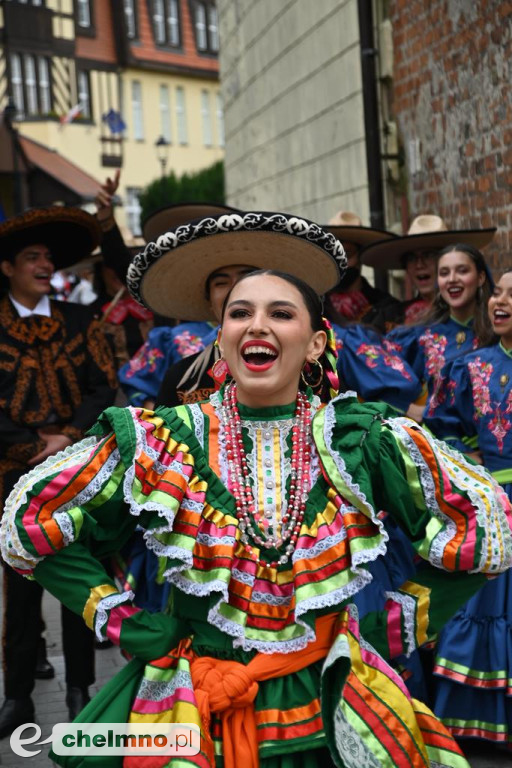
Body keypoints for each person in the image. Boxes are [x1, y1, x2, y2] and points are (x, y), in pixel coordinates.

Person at [2, 212, 511, 768]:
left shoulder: (361, 439)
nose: (257, 325)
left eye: (281, 313)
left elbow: (484, 528)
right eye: (239, 313)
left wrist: (394, 626)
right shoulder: (163, 442)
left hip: (331, 699)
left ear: (316, 343)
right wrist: (123, 619)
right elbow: (31, 523)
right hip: (195, 706)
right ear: (221, 342)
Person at [0, 206, 119, 736]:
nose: (44, 263)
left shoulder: (80, 320)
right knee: (21, 589)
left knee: (80, 583)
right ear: (8, 268)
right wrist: (31, 446)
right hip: (10, 470)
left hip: (75, 469)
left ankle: (80, 691)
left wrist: (67, 438)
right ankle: (19, 698)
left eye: (48, 256)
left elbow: (101, 388)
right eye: (32, 257)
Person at [424, 269, 512, 747]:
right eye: (498, 292)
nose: (501, 301)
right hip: (494, 507)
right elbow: (439, 428)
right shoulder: (470, 367)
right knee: (485, 604)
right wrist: (467, 456)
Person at [386, 243, 495, 423]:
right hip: (438, 445)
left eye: (462, 271)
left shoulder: (499, 333)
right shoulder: (419, 337)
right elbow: (371, 374)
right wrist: (409, 408)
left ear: (481, 277)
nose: (452, 279)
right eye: (444, 273)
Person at [362, 215, 496, 330]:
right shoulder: (390, 318)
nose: (420, 264)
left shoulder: (487, 316)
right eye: (412, 258)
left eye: (428, 255)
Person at [323, 210, 401, 330]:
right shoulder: (315, 305)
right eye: (333, 256)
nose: (340, 264)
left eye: (347, 255)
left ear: (361, 256)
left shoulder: (386, 307)